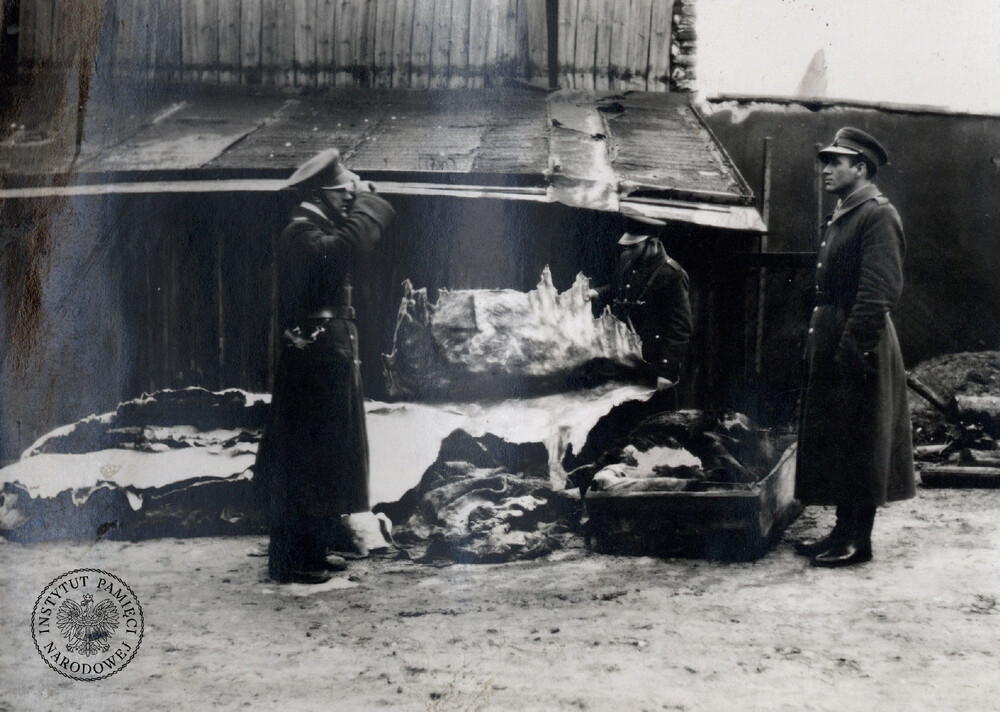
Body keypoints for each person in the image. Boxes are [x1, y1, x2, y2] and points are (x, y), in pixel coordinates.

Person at [256, 148, 395, 584]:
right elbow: (344, 250)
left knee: (323, 456)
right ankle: (291, 560)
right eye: (346, 198)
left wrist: (360, 199)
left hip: (321, 355)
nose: (350, 205)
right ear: (328, 195)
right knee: (303, 458)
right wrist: (370, 202)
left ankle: (311, 550)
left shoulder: (312, 227)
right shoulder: (301, 231)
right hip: (312, 358)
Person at [794, 127, 915, 568]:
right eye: (826, 161)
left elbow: (880, 288)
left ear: (859, 167)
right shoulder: (847, 210)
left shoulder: (877, 214)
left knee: (861, 438)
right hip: (835, 335)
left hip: (860, 340)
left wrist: (855, 346)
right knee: (841, 436)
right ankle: (841, 532)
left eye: (835, 162)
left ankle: (857, 542)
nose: (826, 169)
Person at [588, 217, 693, 396]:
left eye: (633, 246)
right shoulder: (632, 263)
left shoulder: (672, 275)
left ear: (652, 244)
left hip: (655, 364)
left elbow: (680, 328)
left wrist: (667, 372)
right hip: (627, 359)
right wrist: (598, 292)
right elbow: (619, 286)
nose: (627, 250)